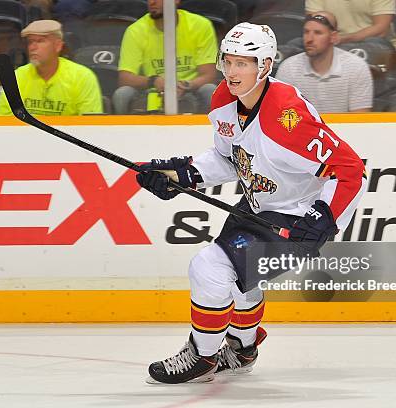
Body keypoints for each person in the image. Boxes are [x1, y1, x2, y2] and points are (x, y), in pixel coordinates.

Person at [136, 22, 366, 384]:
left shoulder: (288, 117)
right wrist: (183, 175)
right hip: (259, 203)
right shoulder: (224, 101)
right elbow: (231, 159)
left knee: (209, 268)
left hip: (296, 215)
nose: (231, 71)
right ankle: (242, 350)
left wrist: (323, 217)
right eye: (228, 61)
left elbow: (351, 171)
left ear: (265, 66)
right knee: (237, 280)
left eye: (243, 63)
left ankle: (203, 355)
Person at [112, 0, 218, 114]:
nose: (152, 2)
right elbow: (125, 78)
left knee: (210, 90)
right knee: (122, 94)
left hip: (191, 89)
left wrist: (187, 85)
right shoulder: (135, 30)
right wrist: (153, 81)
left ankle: (209, 130)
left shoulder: (200, 25)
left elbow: (209, 75)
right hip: (151, 91)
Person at [0, 19, 103, 116]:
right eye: (30, 42)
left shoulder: (82, 77)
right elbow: (0, 122)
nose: (32, 47)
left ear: (58, 46)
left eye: (40, 41)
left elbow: (91, 126)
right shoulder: (18, 76)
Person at [275, 12, 374, 113]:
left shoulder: (356, 67)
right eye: (306, 32)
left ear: (333, 37)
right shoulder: (288, 68)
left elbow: (360, 121)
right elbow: (281, 117)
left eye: (318, 33)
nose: (309, 39)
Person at [305, 0, 396, 54]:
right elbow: (315, 23)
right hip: (331, 42)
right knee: (295, 46)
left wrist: (343, 39)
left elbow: (381, 29)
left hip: (372, 42)